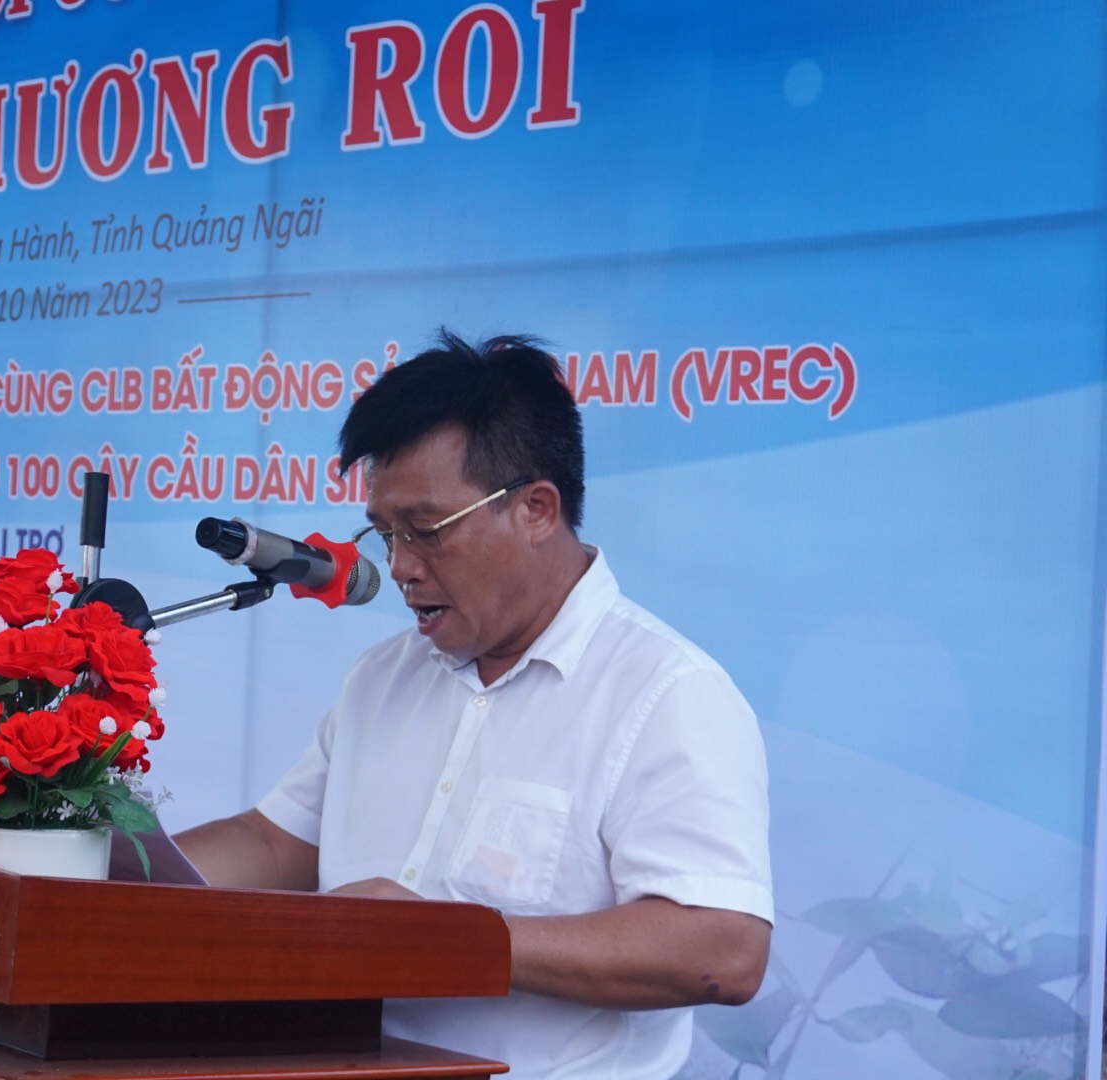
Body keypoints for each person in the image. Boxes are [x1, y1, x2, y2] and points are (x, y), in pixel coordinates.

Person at [174, 332, 773, 1079]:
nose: (400, 568)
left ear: (536, 510)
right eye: (385, 534)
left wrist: (451, 939)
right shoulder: (384, 674)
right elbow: (275, 848)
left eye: (425, 532)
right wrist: (92, 870)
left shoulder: (665, 691)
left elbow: (723, 950)